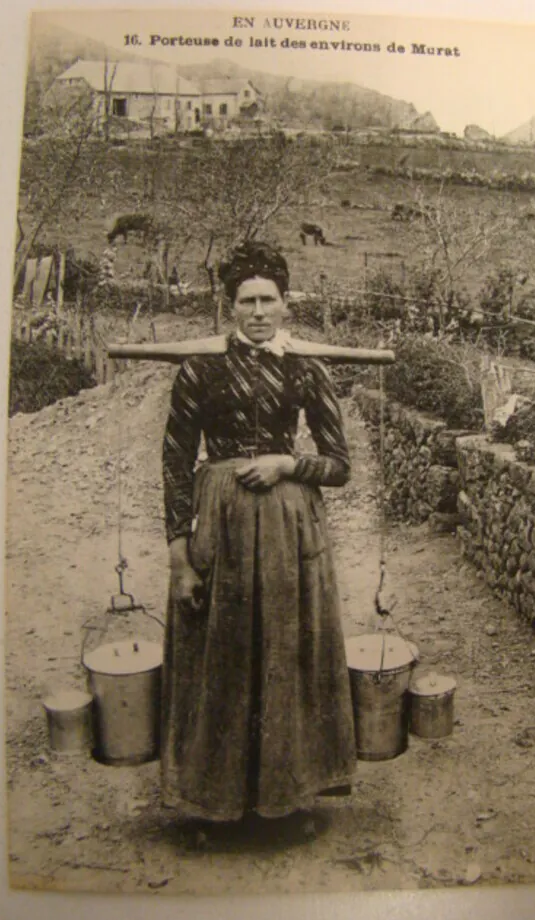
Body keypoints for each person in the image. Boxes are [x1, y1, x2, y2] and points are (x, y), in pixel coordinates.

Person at [160, 241, 357, 832]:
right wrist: (179, 556)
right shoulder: (199, 371)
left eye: (268, 299)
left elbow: (340, 465)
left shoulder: (306, 370)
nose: (258, 311)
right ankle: (212, 799)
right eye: (246, 300)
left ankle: (289, 795)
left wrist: (286, 464)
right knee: (217, 652)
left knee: (285, 651)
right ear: (229, 307)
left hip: (288, 530)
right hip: (219, 526)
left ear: (286, 304)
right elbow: (174, 464)